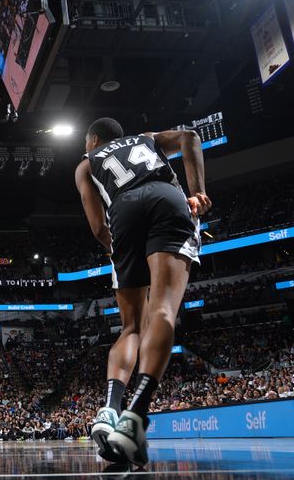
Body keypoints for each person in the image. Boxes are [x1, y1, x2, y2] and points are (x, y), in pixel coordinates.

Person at [75, 118, 210, 467]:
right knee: (162, 309)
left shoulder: (86, 164)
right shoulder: (146, 138)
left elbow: (96, 227)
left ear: (93, 140)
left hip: (123, 213)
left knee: (131, 326)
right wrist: (196, 192)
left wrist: (116, 249)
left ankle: (109, 409)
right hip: (165, 197)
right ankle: (136, 415)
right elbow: (190, 138)